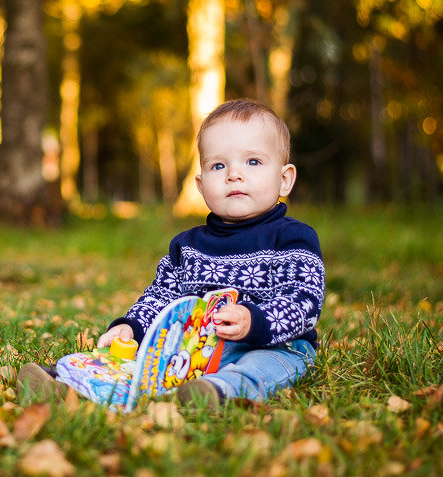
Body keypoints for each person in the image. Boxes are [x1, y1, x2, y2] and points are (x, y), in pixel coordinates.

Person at [18, 98, 324, 407]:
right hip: (190, 350)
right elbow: (160, 297)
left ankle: (219, 392)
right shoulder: (187, 247)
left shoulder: (291, 239)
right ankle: (68, 383)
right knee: (140, 357)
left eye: (253, 162)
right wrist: (132, 327)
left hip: (273, 344)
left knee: (262, 367)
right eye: (219, 165)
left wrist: (254, 321)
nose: (234, 174)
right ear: (202, 186)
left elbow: (305, 301)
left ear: (284, 179)